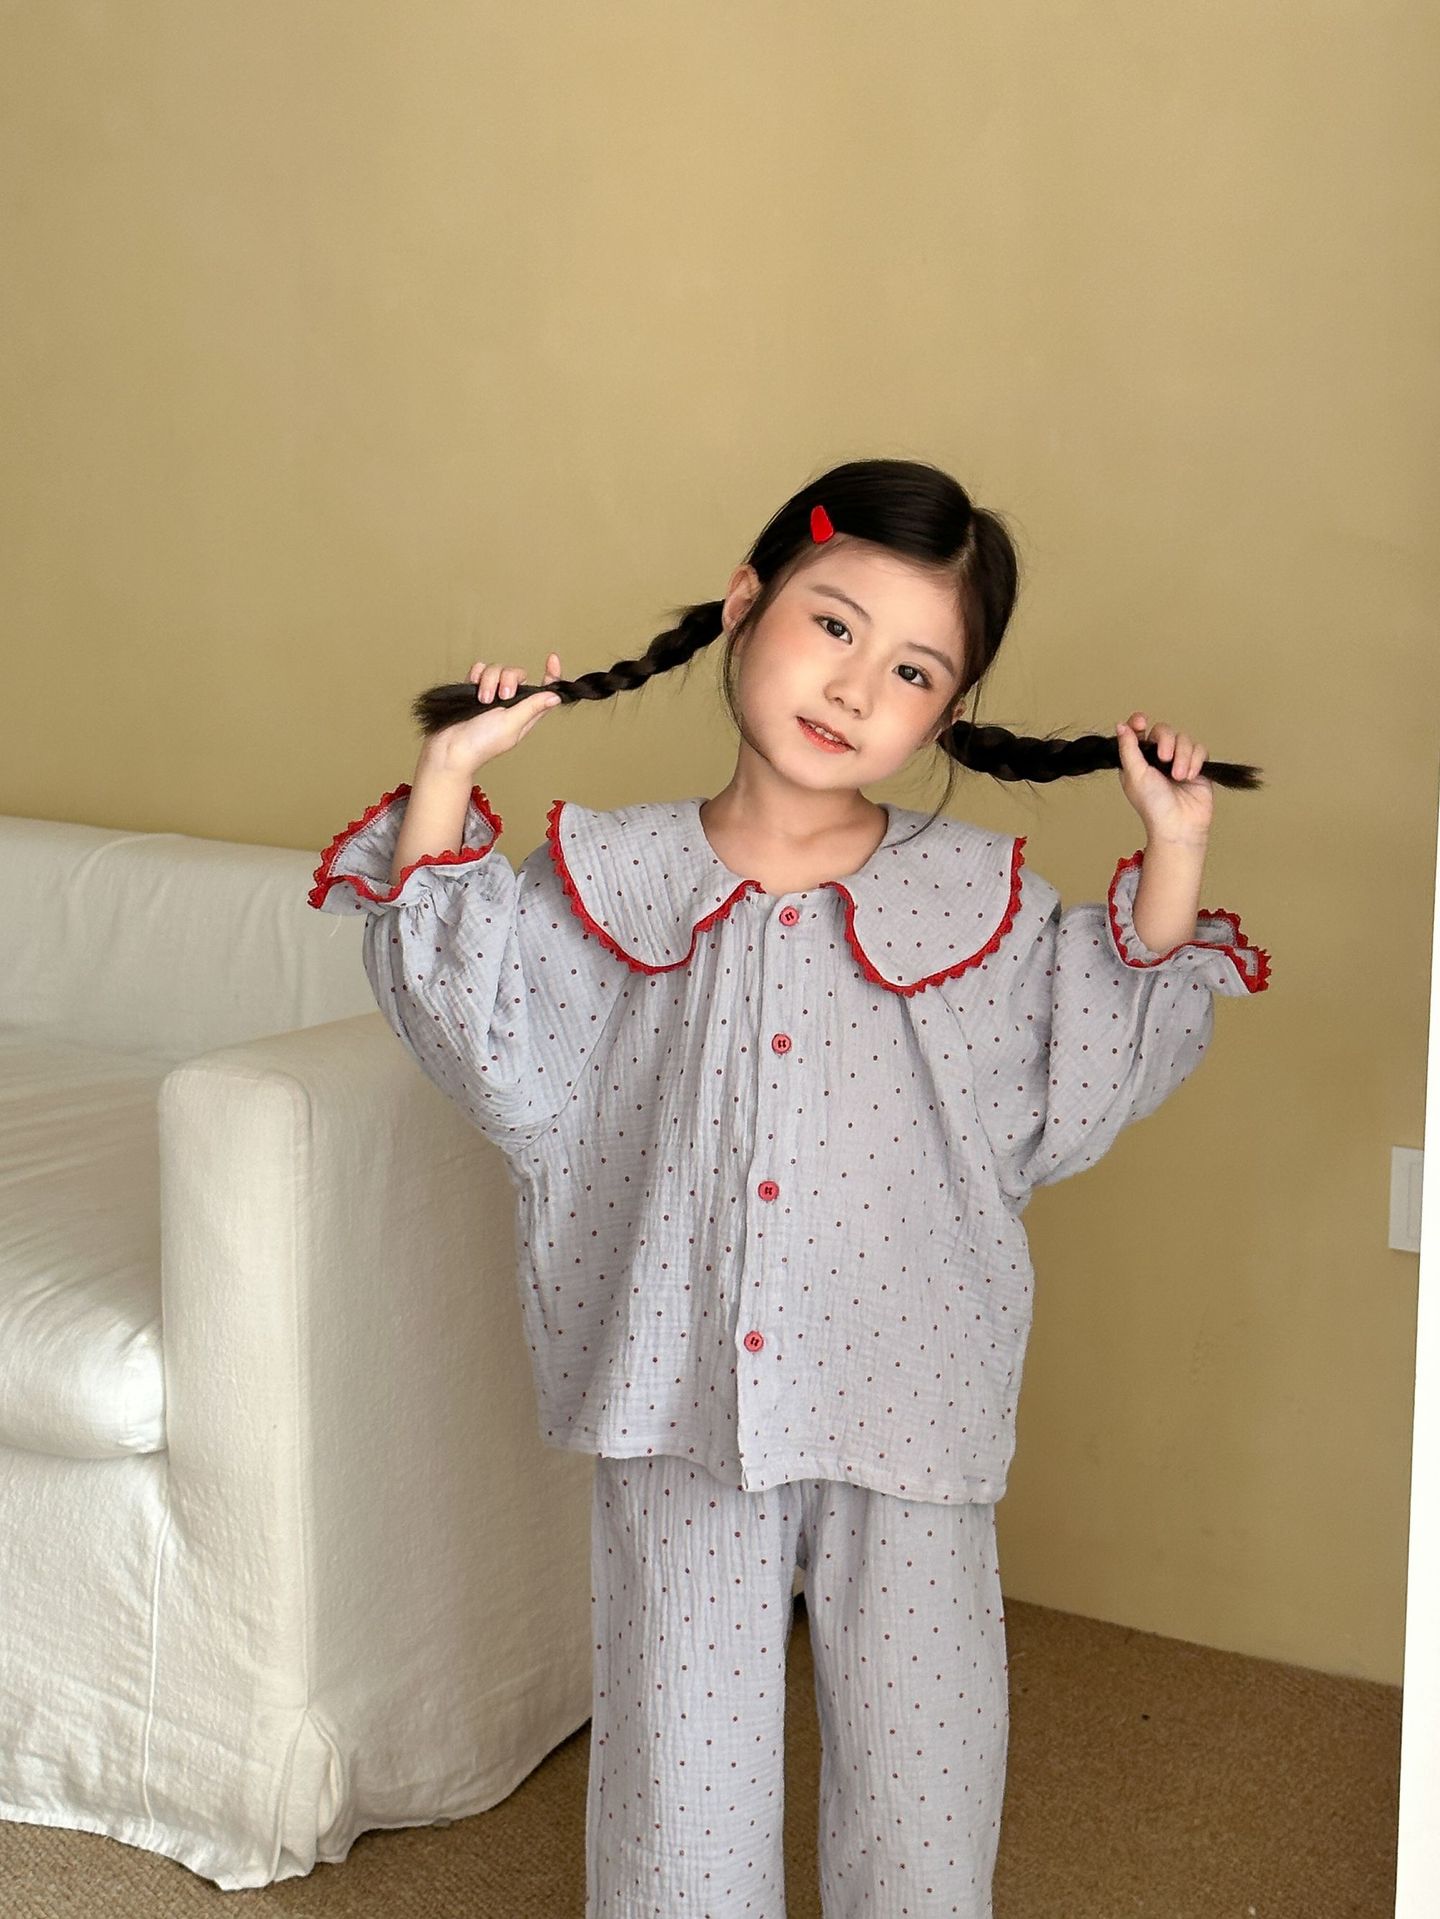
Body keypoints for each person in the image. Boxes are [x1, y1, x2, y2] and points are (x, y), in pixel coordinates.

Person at [308, 457, 1270, 1918]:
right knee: (678, 1791)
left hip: (911, 1396)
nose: (855, 688)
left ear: (946, 711)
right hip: (678, 1392)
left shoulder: (981, 904)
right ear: (746, 601)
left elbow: (1083, 1082)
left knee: (924, 1788)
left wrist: (1178, 850)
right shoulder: (608, 878)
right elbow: (479, 1030)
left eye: (913, 670)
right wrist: (450, 775)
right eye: (833, 624)